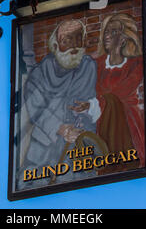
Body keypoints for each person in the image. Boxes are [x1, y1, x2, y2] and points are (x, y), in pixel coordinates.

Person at [17, 19, 98, 189]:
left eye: (77, 39)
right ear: (55, 45)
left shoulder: (88, 66)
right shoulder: (40, 73)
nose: (73, 45)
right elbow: (36, 107)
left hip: (78, 144)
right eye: (66, 40)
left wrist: (79, 118)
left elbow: (79, 100)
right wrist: (60, 127)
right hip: (43, 147)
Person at [72, 13, 145, 172]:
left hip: (126, 122)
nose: (107, 36)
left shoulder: (136, 64)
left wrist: (93, 103)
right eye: (106, 31)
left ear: (124, 39)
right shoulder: (95, 64)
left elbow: (122, 92)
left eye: (113, 32)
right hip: (98, 121)